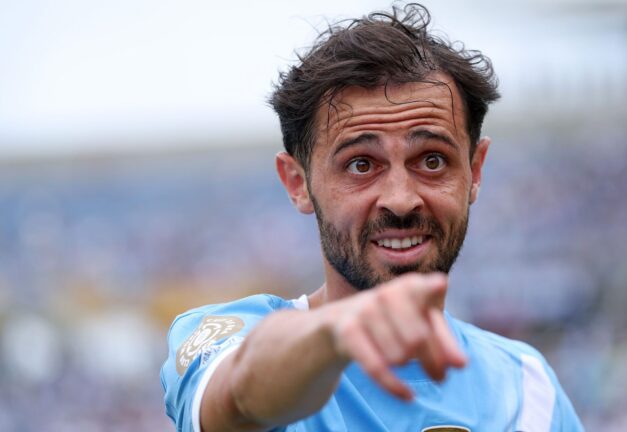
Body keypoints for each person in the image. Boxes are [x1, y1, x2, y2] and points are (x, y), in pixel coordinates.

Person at [161, 3, 584, 431]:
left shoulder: (529, 390)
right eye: (361, 165)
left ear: (475, 171)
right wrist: (334, 336)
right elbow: (238, 395)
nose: (401, 200)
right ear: (297, 182)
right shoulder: (223, 336)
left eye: (432, 160)